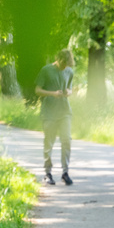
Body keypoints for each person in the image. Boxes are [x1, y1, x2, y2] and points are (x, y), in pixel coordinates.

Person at [35, 48, 76, 186]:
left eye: (68, 64)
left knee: (67, 140)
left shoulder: (69, 71)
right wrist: (53, 93)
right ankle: (48, 173)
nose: (65, 67)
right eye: (64, 63)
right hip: (49, 112)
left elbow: (70, 89)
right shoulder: (46, 70)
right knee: (49, 142)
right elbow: (37, 90)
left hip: (64, 111)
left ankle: (65, 172)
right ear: (58, 59)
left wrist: (67, 92)